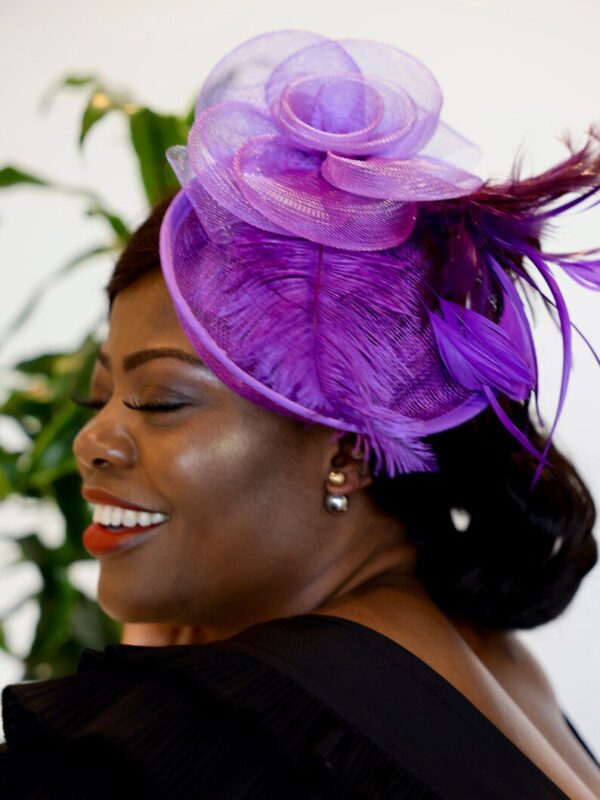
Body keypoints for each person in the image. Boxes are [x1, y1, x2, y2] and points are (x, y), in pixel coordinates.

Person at [2, 29, 600, 799]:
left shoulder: (208, 737)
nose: (92, 439)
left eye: (159, 400)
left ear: (347, 450)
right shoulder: (490, 661)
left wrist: (162, 712)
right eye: (101, 395)